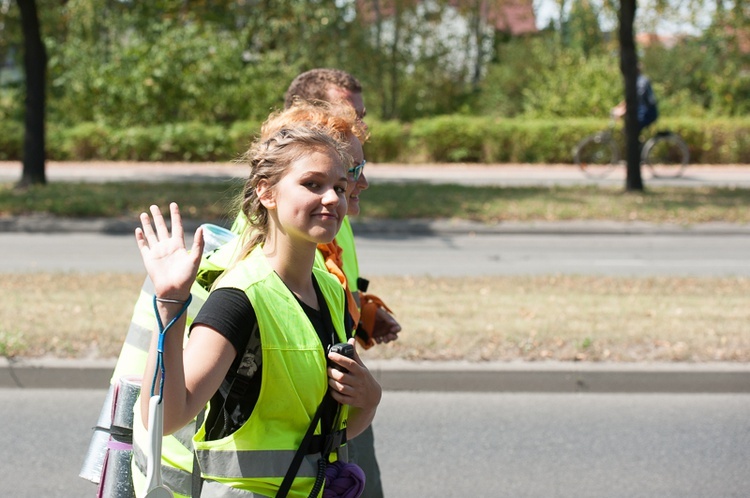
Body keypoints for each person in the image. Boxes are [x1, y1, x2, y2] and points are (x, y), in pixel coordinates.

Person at [132, 124, 382, 498]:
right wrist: (170, 304)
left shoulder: (330, 291)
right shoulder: (239, 297)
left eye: (340, 188)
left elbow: (332, 431)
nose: (331, 198)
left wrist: (370, 396)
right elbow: (166, 418)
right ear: (267, 192)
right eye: (312, 184)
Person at [611, 66, 659, 135]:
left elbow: (635, 98)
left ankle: (636, 145)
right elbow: (629, 99)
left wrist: (622, 110)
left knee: (630, 129)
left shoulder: (641, 82)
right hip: (643, 113)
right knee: (628, 129)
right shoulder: (637, 81)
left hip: (647, 114)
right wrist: (619, 107)